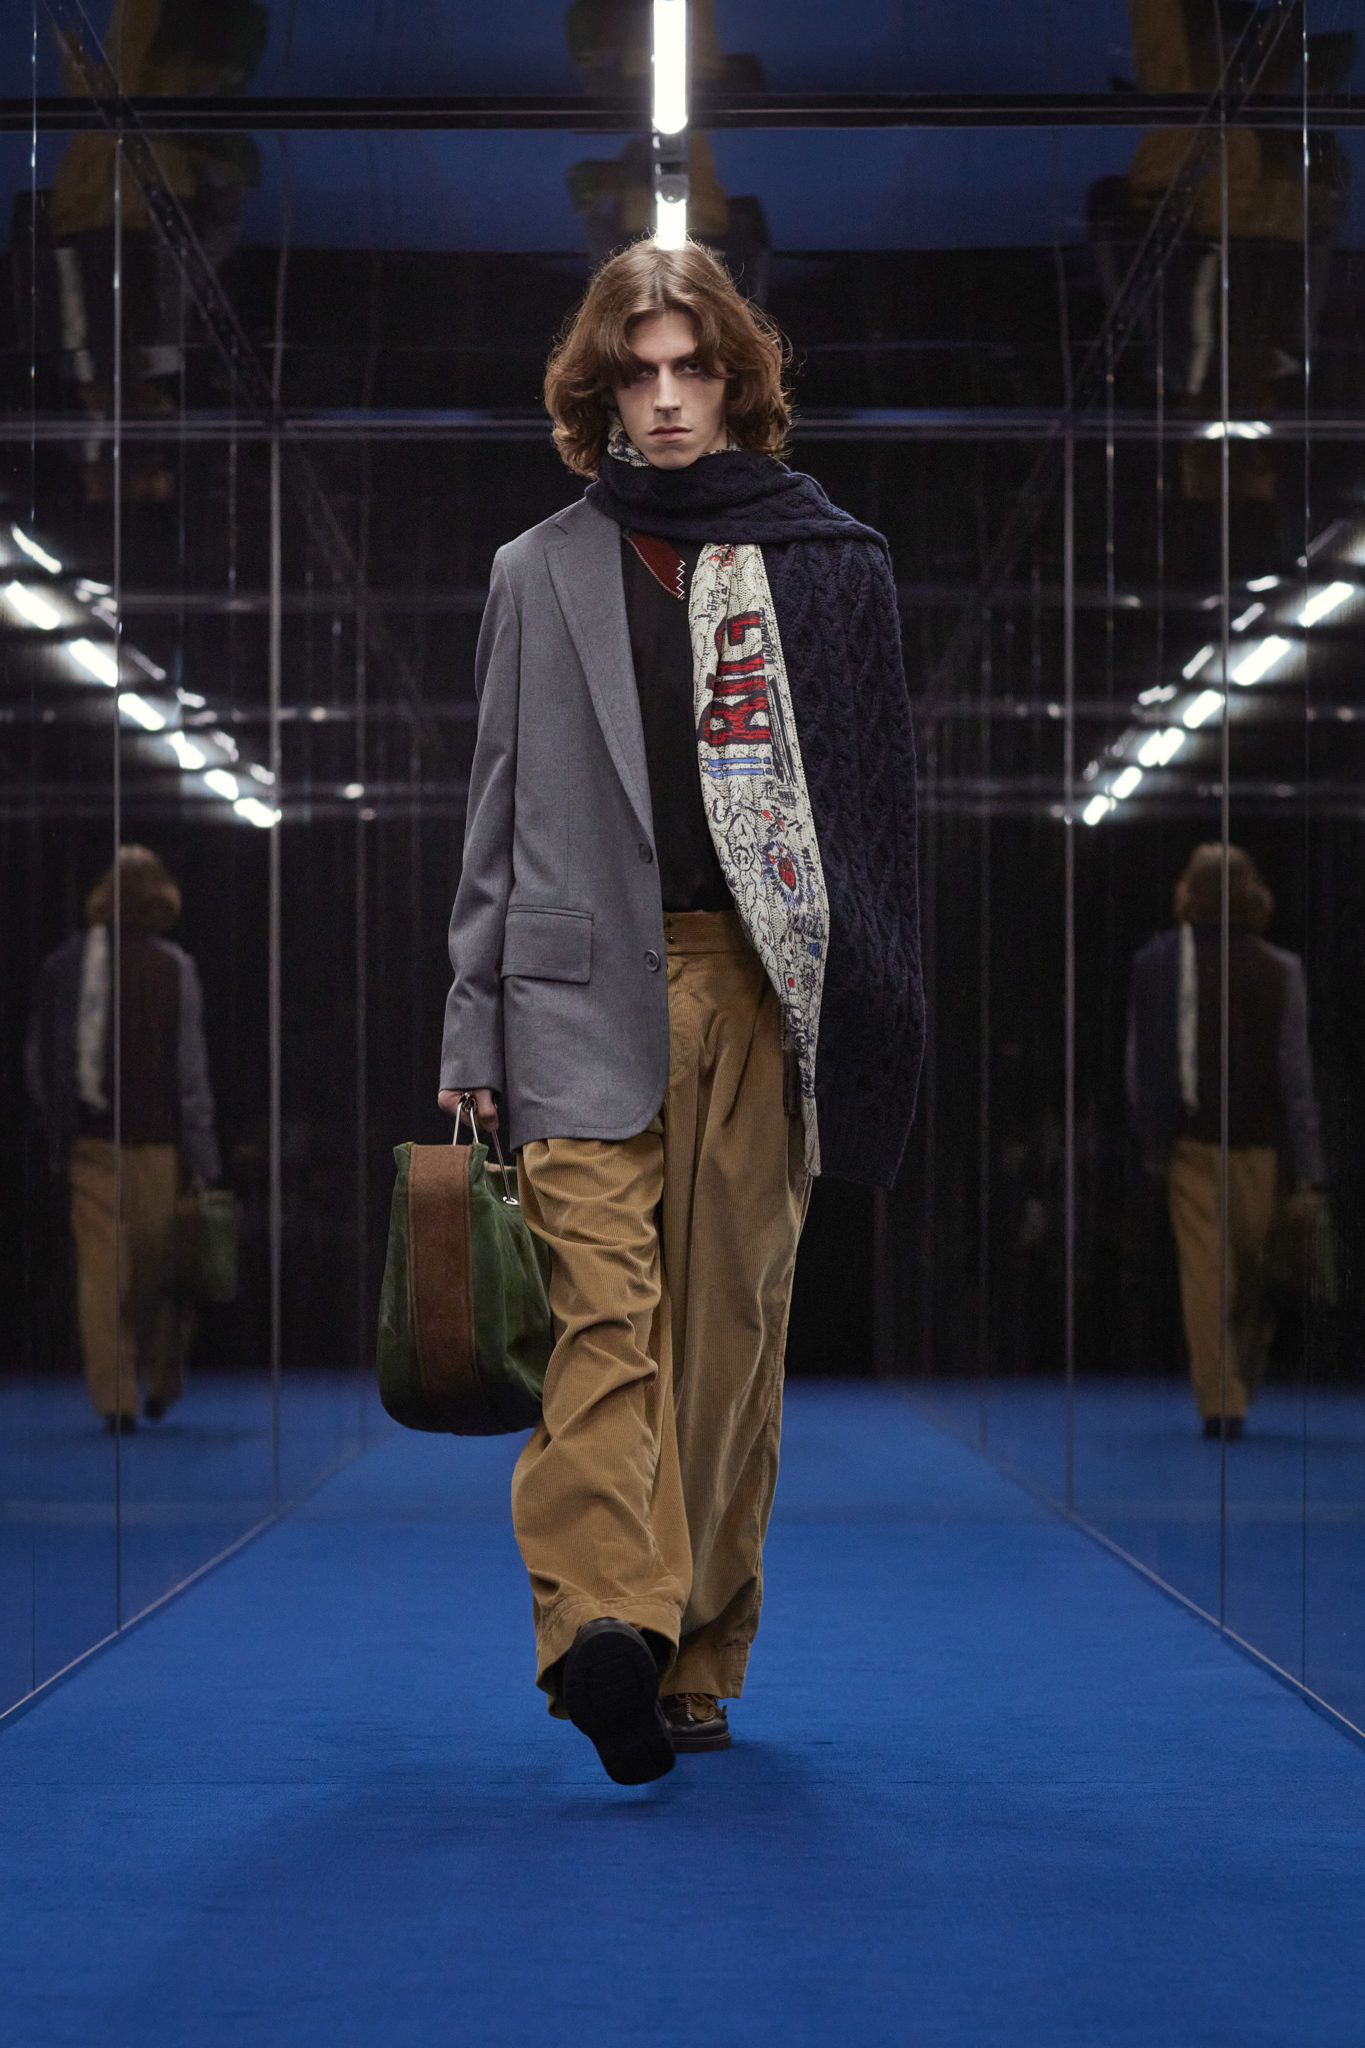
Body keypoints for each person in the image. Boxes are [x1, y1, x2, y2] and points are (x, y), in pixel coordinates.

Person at [438, 239, 922, 1784]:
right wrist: (469, 1034)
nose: (663, 398)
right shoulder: (537, 570)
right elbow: (496, 814)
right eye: (636, 373)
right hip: (576, 989)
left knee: (728, 1338)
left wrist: (870, 1008)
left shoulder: (826, 565)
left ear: (735, 382)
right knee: (598, 1321)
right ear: (596, 393)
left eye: (690, 368)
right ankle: (604, 1628)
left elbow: (871, 816)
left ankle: (695, 1654)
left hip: (762, 987)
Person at [1126, 843, 1324, 1440]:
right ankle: (1224, 1398)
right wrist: (1309, 1169)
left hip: (1195, 1140)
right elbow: (1295, 1077)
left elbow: (1139, 1065)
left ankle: (1224, 1393)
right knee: (1234, 1273)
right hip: (1252, 1148)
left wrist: (1150, 1138)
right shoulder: (1278, 969)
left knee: (1216, 1273)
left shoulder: (1159, 962)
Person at [26, 846, 221, 1431]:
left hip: (91, 1142)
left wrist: (58, 1128)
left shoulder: (65, 964)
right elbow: (190, 1073)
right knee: (157, 1270)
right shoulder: (173, 967)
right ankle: (157, 1379)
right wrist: (205, 1161)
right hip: (156, 1145)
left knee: (101, 1274)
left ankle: (115, 1398)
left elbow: (41, 1060)